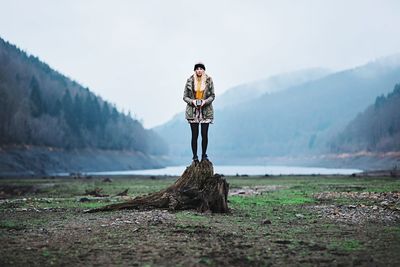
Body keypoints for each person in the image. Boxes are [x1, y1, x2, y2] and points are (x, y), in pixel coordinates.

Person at [183, 62, 215, 163]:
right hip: (193, 111)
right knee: (194, 135)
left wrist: (205, 101)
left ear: (204, 70)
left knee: (204, 134)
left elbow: (212, 96)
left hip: (206, 110)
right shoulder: (189, 81)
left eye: (201, 68)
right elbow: (185, 97)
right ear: (195, 70)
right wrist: (192, 101)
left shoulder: (209, 80)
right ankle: (195, 157)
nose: (199, 70)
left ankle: (204, 155)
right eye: (197, 69)